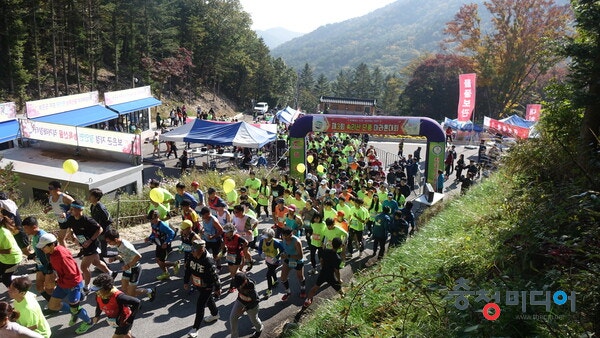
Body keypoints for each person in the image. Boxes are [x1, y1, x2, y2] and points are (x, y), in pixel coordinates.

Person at [37, 233, 94, 334]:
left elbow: (72, 274)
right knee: (53, 306)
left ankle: (88, 322)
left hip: (73, 285)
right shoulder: (53, 252)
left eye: (43, 247)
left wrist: (55, 282)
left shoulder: (62, 256)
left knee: (75, 308)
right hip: (63, 283)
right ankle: (74, 312)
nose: (42, 249)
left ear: (52, 245)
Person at [65, 199, 113, 292]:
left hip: (91, 244)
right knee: (96, 263)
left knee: (84, 267)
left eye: (73, 209)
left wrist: (90, 240)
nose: (70, 211)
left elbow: (100, 229)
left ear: (80, 210)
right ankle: (110, 273)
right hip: (83, 244)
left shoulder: (88, 220)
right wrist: (69, 235)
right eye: (70, 209)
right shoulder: (71, 218)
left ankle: (87, 287)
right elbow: (70, 228)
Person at [183, 239, 221, 338]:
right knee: (209, 300)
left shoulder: (208, 261)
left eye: (194, 250)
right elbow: (188, 269)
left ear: (202, 249)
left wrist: (217, 288)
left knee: (200, 305)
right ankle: (215, 314)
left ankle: (195, 329)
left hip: (207, 286)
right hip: (198, 284)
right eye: (192, 249)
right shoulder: (191, 256)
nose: (192, 251)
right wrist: (186, 281)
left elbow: (215, 276)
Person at [104, 229, 155, 301]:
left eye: (109, 241)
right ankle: (134, 300)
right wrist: (115, 258)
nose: (108, 243)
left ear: (115, 239)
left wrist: (128, 265)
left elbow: (138, 256)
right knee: (124, 289)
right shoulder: (118, 244)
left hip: (135, 269)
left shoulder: (126, 246)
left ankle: (150, 291)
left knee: (131, 293)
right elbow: (123, 254)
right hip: (128, 269)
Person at [91, 273, 141, 338]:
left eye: (99, 289)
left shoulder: (119, 296)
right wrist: (97, 315)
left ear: (106, 288)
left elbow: (137, 302)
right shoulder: (99, 295)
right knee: (127, 335)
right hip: (115, 320)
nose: (97, 292)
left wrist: (129, 320)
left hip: (124, 320)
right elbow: (98, 304)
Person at [303, 237, 345, 308]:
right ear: (340, 246)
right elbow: (336, 271)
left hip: (323, 273)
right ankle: (344, 299)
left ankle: (308, 300)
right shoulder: (337, 258)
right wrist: (338, 279)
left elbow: (321, 260)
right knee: (339, 289)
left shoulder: (325, 251)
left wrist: (322, 267)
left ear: (332, 244)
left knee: (315, 287)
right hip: (330, 276)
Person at [21, 217, 55, 301]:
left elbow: (51, 252)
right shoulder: (35, 236)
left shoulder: (43, 236)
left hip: (49, 267)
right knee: (39, 287)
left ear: (34, 226)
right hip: (40, 265)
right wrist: (33, 255)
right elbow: (38, 249)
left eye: (26, 228)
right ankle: (52, 302)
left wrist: (51, 268)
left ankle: (55, 305)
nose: (25, 231)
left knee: (49, 289)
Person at [145, 210, 179, 280]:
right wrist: (149, 238)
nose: (150, 220)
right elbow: (154, 233)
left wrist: (166, 242)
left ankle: (173, 265)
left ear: (157, 217)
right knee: (157, 260)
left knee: (161, 262)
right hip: (159, 244)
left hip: (165, 245)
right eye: (150, 219)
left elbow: (172, 233)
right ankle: (167, 271)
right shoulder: (153, 224)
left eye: (151, 219)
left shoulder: (162, 225)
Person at [229, 272, 263, 338]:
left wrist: (244, 309)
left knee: (254, 320)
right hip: (240, 301)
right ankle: (234, 336)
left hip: (252, 305)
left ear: (245, 280)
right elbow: (232, 282)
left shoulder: (251, 287)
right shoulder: (236, 280)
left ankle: (259, 329)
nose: (239, 287)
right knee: (232, 318)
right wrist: (231, 287)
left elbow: (256, 301)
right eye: (237, 285)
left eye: (240, 285)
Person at [220, 223, 251, 293]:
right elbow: (223, 242)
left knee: (233, 273)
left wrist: (240, 249)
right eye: (225, 232)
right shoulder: (224, 235)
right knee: (232, 273)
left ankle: (232, 287)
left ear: (231, 232)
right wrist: (223, 249)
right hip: (229, 255)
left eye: (226, 232)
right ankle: (242, 278)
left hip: (237, 256)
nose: (225, 233)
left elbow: (246, 242)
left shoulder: (237, 237)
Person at [42, 181, 74, 248]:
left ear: (58, 189)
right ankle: (84, 247)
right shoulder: (50, 198)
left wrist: (67, 212)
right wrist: (48, 209)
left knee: (60, 238)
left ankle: (66, 255)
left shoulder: (64, 197)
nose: (49, 190)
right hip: (60, 220)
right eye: (49, 188)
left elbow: (76, 205)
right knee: (72, 238)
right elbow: (55, 205)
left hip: (68, 219)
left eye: (51, 188)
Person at [279, 228, 307, 301]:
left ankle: (303, 290)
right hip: (288, 260)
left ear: (291, 234)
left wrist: (287, 255)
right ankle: (288, 292)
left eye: (286, 236)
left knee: (300, 277)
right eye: (283, 236)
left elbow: (300, 256)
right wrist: (283, 254)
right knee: (283, 278)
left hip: (297, 262)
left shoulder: (297, 242)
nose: (285, 237)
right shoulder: (283, 238)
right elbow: (285, 248)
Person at [256, 228, 283, 299]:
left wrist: (277, 257)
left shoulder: (276, 242)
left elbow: (282, 250)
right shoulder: (262, 241)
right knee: (271, 271)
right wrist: (260, 253)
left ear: (271, 237)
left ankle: (269, 290)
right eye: (264, 237)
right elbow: (259, 249)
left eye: (266, 238)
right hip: (268, 260)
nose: (264, 239)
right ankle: (276, 281)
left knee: (268, 275)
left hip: (275, 261)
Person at [88, 188, 114, 259]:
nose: (89, 197)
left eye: (91, 196)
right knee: (99, 246)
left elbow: (108, 218)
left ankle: (118, 256)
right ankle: (102, 260)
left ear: (96, 198)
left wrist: (102, 227)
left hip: (103, 230)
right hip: (98, 229)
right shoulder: (92, 206)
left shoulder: (100, 207)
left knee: (103, 247)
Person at [0, 214, 23, 288]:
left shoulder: (4, 233)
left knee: (5, 279)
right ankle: (18, 279)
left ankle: (19, 292)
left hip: (13, 259)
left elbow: (8, 251)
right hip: (3, 259)